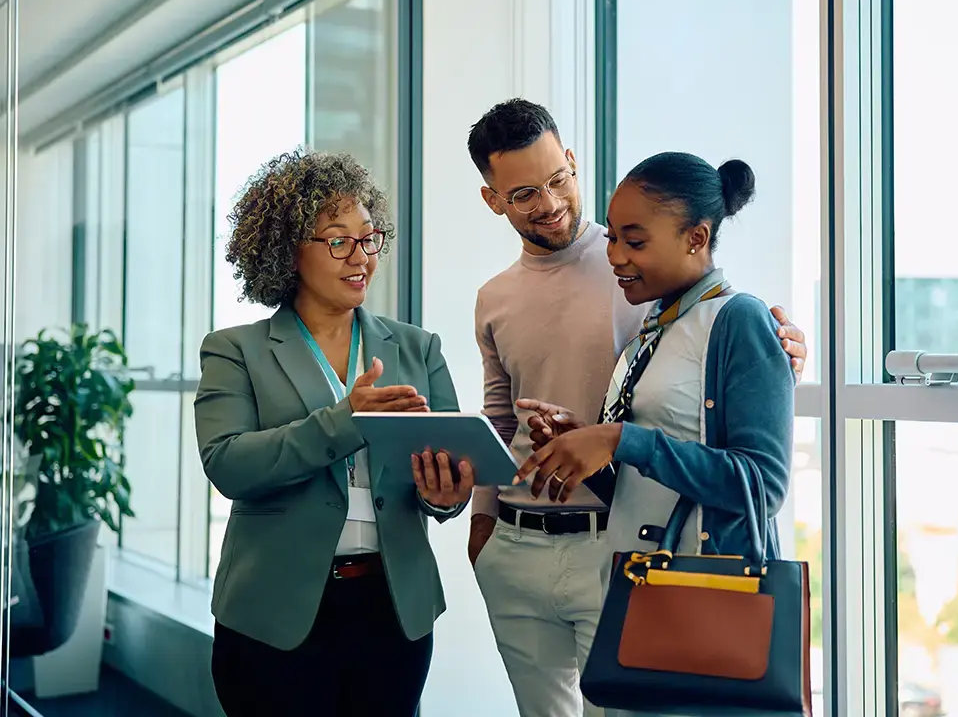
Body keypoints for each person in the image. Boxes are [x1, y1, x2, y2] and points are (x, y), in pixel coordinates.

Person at [466, 99, 807, 717]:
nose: (617, 256)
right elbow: (519, 420)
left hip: (669, 569)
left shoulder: (697, 307)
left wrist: (618, 438)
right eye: (522, 194)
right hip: (602, 552)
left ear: (572, 163)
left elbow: (760, 475)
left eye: (557, 180)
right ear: (494, 200)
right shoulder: (654, 319)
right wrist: (577, 440)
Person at [193, 150, 473, 716]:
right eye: (338, 241)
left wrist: (447, 495)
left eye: (369, 239)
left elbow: (447, 462)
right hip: (275, 612)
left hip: (393, 609)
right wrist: (347, 420)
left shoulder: (418, 348)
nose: (361, 257)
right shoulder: (235, 350)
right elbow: (229, 465)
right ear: (287, 250)